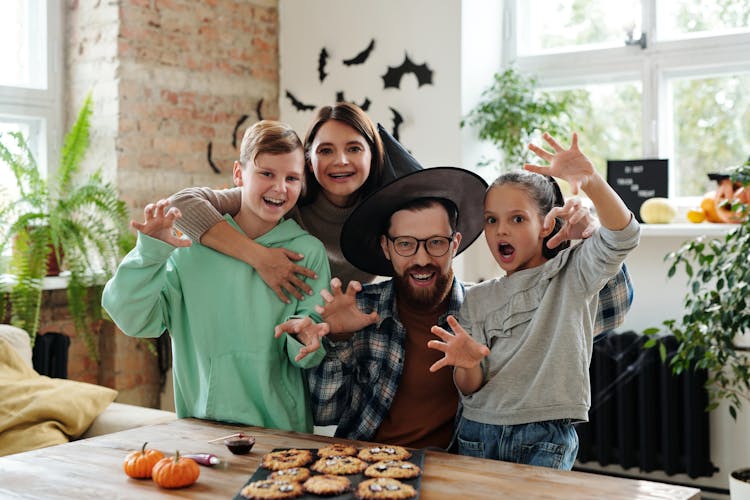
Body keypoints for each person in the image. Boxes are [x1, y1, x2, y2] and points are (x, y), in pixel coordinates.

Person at [308, 131, 634, 450]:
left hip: (456, 464)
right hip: (367, 463)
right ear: (386, 247)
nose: (422, 258)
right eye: (406, 244)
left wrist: (589, 232)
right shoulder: (361, 310)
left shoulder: (483, 303)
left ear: (455, 243)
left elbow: (611, 307)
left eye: (436, 243)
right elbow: (324, 411)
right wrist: (335, 339)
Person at [427, 132, 640, 469]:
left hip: (545, 436)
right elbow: (471, 386)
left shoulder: (574, 272)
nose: (501, 231)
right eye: (491, 220)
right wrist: (465, 365)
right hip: (477, 430)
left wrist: (592, 181)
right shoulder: (477, 298)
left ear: (546, 224)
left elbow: (623, 235)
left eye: (517, 218)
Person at [101, 120, 331, 432]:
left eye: (292, 178)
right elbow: (133, 319)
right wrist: (150, 251)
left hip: (282, 431)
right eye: (267, 173)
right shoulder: (189, 250)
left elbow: (306, 351)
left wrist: (307, 339)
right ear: (239, 174)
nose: (280, 187)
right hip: (202, 427)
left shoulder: (308, 251)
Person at [168, 102, 421, 302]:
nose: (341, 160)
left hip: (348, 327)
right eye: (326, 150)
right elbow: (181, 205)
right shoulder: (285, 198)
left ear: (372, 156)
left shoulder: (385, 211)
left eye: (354, 148)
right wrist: (259, 257)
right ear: (309, 161)